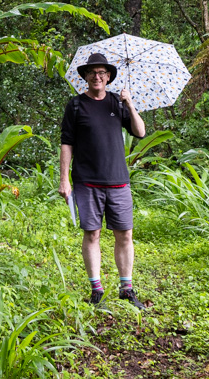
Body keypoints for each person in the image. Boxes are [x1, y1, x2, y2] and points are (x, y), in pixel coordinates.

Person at [59, 52, 146, 309]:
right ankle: (96, 290)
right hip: (87, 181)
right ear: (85, 77)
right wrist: (64, 180)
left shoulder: (117, 103)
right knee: (92, 234)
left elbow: (140, 132)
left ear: (108, 77)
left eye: (102, 73)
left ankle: (126, 288)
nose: (97, 77)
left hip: (118, 180)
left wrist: (129, 103)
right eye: (92, 73)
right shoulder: (75, 106)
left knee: (125, 234)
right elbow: (66, 144)